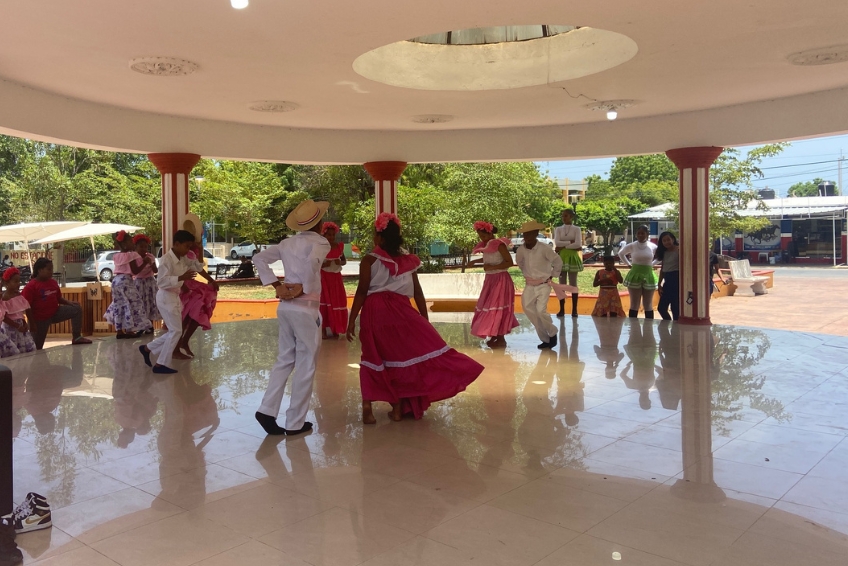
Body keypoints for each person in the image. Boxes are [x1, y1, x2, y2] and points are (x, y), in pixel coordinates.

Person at [347, 213, 483, 424]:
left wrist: (351, 320)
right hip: (402, 312)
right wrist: (424, 319)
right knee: (400, 359)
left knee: (373, 356)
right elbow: (418, 293)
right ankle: (399, 408)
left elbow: (362, 292)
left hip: (375, 312)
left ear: (380, 238)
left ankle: (368, 406)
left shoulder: (368, 260)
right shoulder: (409, 261)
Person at [252, 199, 332, 436]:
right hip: (306, 309)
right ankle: (295, 422)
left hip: (286, 308)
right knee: (306, 363)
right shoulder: (320, 241)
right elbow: (313, 262)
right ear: (319, 224)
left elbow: (259, 258)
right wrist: (303, 288)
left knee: (285, 358)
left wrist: (278, 285)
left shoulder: (286, 243)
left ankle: (266, 410)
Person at [138, 230, 197, 374]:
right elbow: (161, 281)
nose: (188, 250)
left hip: (174, 297)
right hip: (165, 296)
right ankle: (160, 364)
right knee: (176, 331)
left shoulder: (183, 258)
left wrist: (198, 252)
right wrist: (181, 277)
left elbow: (197, 267)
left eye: (190, 247)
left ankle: (148, 349)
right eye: (186, 246)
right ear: (177, 244)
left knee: (174, 331)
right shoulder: (166, 260)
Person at [467, 220, 518, 348]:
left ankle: (501, 337)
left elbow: (509, 262)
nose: (482, 239)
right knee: (489, 307)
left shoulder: (499, 245)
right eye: (480, 237)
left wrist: (492, 267)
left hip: (500, 279)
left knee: (497, 306)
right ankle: (494, 334)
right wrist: (475, 262)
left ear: (490, 234)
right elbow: (488, 257)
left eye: (483, 236)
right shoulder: (486, 246)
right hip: (490, 280)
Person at [22, 257, 91, 349]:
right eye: (49, 269)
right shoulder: (31, 286)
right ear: (40, 270)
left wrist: (69, 302)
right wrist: (32, 322)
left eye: (52, 269)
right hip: (39, 319)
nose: (51, 272)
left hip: (55, 312)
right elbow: (26, 306)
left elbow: (58, 298)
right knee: (37, 347)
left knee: (76, 309)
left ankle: (77, 337)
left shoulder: (53, 282)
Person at [176, 215, 219, 358]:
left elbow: (199, 266)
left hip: (192, 283)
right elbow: (178, 270)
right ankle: (177, 345)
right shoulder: (181, 249)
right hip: (183, 283)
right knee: (186, 316)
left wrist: (211, 280)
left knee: (197, 312)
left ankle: (184, 341)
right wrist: (182, 285)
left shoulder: (193, 248)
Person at [516, 220, 562, 349]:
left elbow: (557, 260)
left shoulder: (544, 248)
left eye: (530, 234)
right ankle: (545, 338)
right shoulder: (521, 250)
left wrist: (553, 274)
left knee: (541, 310)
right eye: (525, 234)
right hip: (530, 285)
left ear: (536, 233)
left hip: (543, 284)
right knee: (527, 307)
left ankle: (552, 333)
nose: (527, 237)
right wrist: (527, 273)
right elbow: (520, 262)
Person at [104, 230, 148, 338]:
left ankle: (119, 331)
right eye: (130, 241)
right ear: (124, 244)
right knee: (132, 303)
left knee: (119, 304)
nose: (133, 243)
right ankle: (129, 330)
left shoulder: (116, 256)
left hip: (116, 281)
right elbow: (135, 271)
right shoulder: (131, 255)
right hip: (126, 281)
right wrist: (145, 263)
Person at [618, 225, 658, 319]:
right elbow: (621, 253)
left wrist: (652, 264)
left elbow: (661, 256)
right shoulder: (632, 245)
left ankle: (648, 327)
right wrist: (628, 264)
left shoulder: (652, 246)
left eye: (643, 233)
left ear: (647, 234)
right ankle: (633, 327)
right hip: (634, 275)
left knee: (648, 304)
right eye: (638, 233)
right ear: (636, 234)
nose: (640, 235)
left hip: (649, 275)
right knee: (634, 303)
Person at [318, 222, 348, 339]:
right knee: (324, 302)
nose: (331, 237)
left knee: (337, 301)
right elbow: (315, 264)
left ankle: (336, 328)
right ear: (324, 235)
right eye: (328, 235)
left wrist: (339, 262)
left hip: (336, 279)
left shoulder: (339, 246)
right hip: (324, 279)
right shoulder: (321, 248)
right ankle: (323, 330)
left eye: (333, 235)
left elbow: (344, 261)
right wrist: (325, 264)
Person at [553, 208, 584, 318]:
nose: (563, 217)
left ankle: (574, 310)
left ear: (571, 217)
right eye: (563, 215)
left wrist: (563, 245)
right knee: (561, 283)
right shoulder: (558, 229)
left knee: (573, 283)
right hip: (561, 257)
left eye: (566, 215)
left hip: (572, 257)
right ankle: (562, 309)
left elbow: (578, 244)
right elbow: (556, 242)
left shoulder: (577, 229)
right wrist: (570, 243)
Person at [1, 267, 35, 353]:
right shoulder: (4, 298)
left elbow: (24, 309)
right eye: (15, 281)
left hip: (21, 327)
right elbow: (4, 317)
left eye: (19, 281)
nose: (18, 284)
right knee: (15, 352)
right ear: (7, 283)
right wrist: (16, 326)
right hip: (10, 328)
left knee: (30, 348)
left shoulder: (19, 296)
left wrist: (25, 322)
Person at [132, 234, 160, 334]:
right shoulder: (134, 258)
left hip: (150, 283)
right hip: (139, 283)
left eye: (145, 247)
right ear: (136, 247)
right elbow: (135, 272)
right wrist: (144, 263)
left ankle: (150, 325)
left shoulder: (150, 256)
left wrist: (151, 263)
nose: (144, 249)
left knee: (150, 303)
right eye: (141, 246)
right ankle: (141, 325)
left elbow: (156, 270)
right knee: (141, 304)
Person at [656, 231, 680, 320]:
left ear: (673, 239)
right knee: (661, 308)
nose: (666, 242)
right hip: (667, 280)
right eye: (664, 241)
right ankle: (668, 324)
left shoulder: (679, 250)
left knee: (675, 308)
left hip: (677, 280)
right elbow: (663, 268)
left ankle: (676, 331)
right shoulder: (664, 252)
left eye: (668, 240)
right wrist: (659, 284)